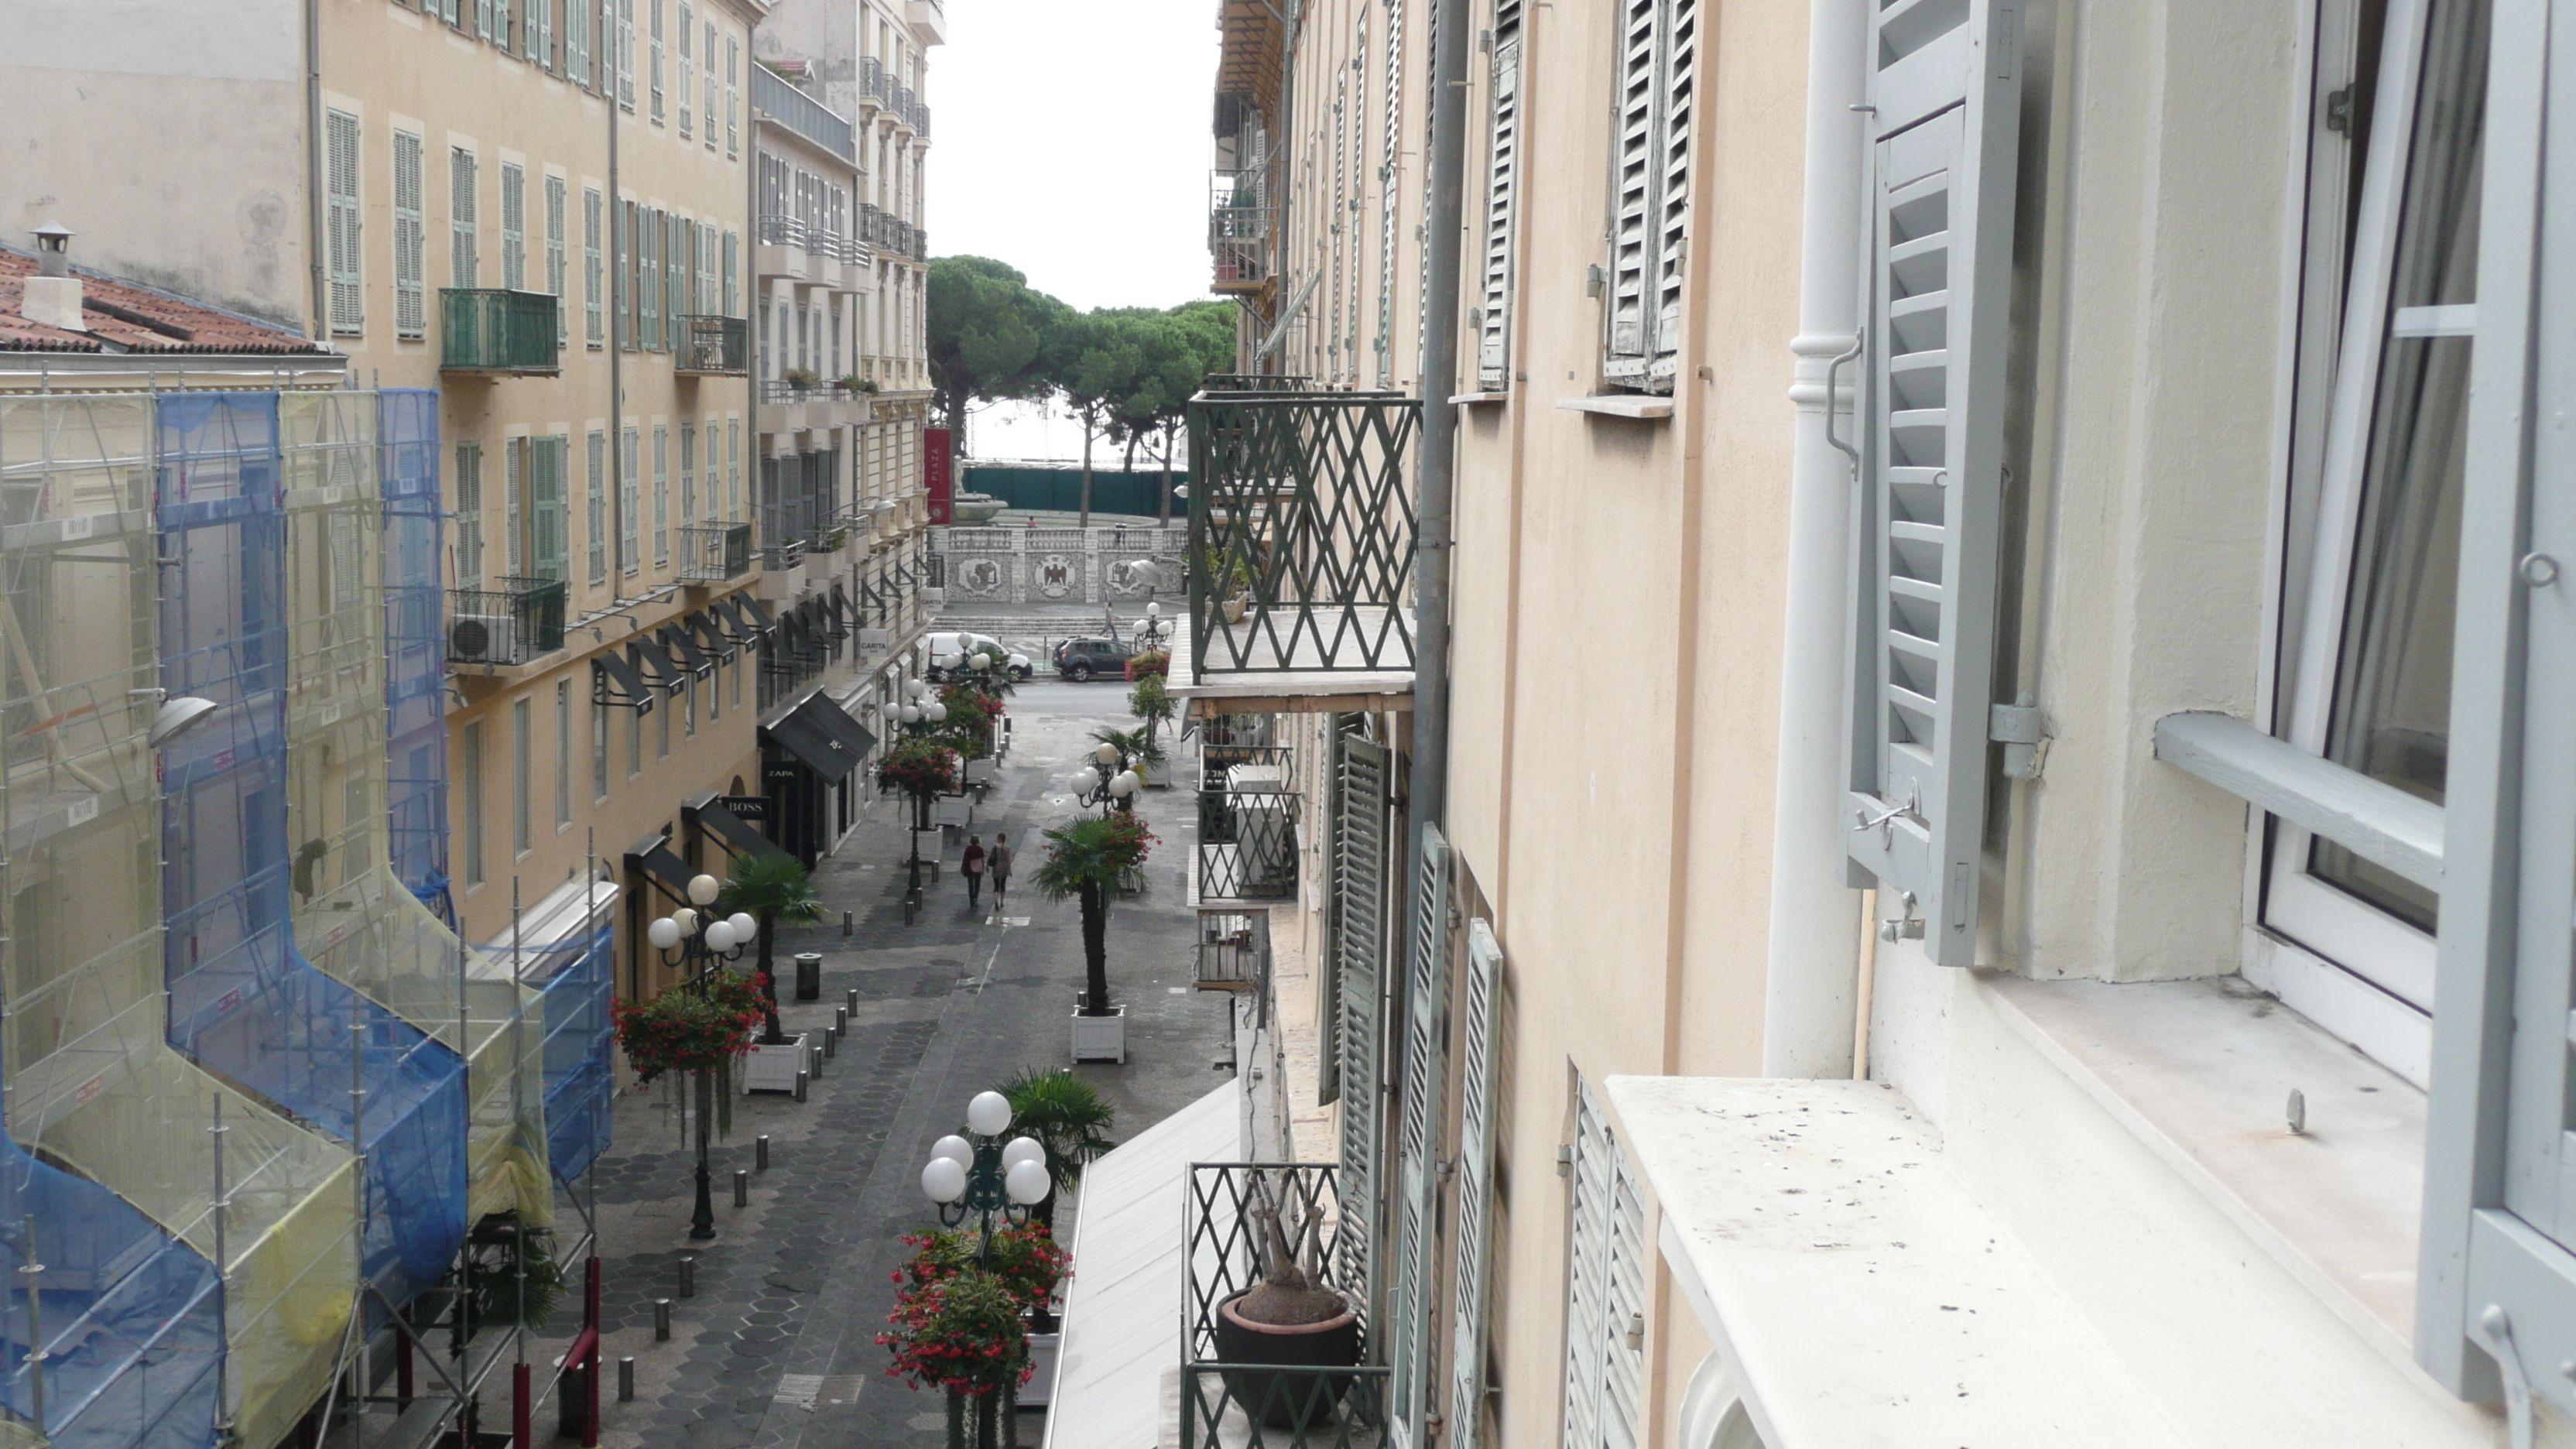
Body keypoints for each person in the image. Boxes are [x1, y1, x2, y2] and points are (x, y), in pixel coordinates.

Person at [988, 832, 1014, 909]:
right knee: (1002, 885)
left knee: (996, 886)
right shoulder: (1007, 848)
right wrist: (1010, 870)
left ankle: (996, 900)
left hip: (996, 868)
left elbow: (991, 857)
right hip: (1004, 869)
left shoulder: (995, 847)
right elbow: (1008, 860)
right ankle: (1002, 902)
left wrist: (987, 866)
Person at [962, 834, 986, 909]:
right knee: (977, 885)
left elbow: (965, 859)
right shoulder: (980, 849)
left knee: (971, 886)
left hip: (970, 868)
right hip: (978, 868)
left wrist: (963, 867)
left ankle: (971, 901)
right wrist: (983, 868)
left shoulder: (968, 849)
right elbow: (982, 860)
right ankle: (976, 897)